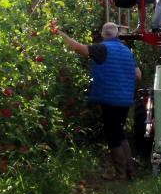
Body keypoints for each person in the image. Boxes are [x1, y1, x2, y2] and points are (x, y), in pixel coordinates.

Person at [57, 22, 142, 180]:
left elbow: (78, 48)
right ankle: (130, 170)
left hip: (109, 100)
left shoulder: (102, 48)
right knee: (119, 134)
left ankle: (120, 173)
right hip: (124, 100)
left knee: (113, 136)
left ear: (103, 35)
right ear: (116, 35)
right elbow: (138, 75)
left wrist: (59, 33)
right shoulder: (127, 52)